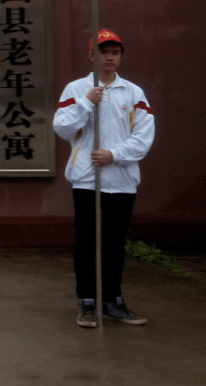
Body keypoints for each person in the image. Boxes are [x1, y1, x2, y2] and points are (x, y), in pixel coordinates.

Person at [53, 29, 155, 328]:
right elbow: (62, 128)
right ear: (91, 55)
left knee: (114, 242)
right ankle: (87, 301)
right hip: (86, 179)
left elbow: (144, 136)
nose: (109, 58)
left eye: (115, 52)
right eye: (103, 52)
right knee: (87, 241)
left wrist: (115, 154)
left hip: (121, 180)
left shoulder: (133, 92)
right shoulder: (76, 88)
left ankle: (113, 300)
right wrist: (86, 103)